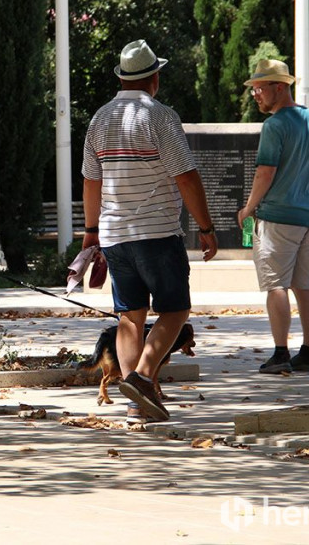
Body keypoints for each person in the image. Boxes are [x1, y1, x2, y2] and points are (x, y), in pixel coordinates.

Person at [82, 39, 218, 424]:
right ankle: (141, 379)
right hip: (156, 232)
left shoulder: (99, 119)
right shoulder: (159, 116)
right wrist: (206, 227)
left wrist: (91, 231)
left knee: (130, 317)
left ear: (122, 78)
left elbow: (91, 181)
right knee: (176, 310)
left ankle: (135, 403)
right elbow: (186, 176)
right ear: (154, 78)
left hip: (114, 235)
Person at [237, 59, 309, 374]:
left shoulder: (275, 125)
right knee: (303, 286)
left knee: (276, 285)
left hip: (278, 218)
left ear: (279, 87)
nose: (255, 94)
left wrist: (248, 209)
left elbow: (265, 172)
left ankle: (280, 353)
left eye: (259, 88)